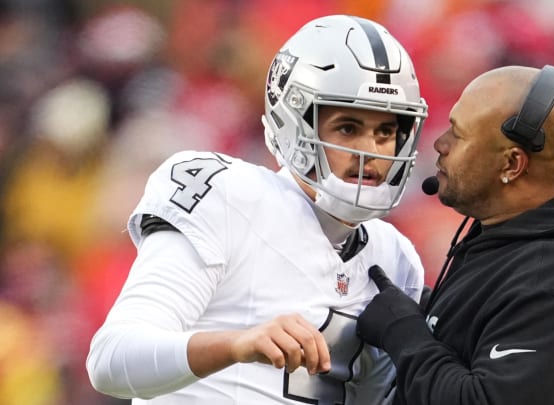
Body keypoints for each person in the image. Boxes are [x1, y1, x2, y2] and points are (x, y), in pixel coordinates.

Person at [86, 15, 428, 404]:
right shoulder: (229, 196)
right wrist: (237, 345)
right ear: (296, 124)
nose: (370, 150)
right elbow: (111, 359)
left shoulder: (396, 260)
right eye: (348, 128)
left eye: (385, 132)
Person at [356, 65, 554, 404]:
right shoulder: (507, 237)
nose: (440, 144)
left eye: (459, 134)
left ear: (512, 164)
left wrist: (403, 334)